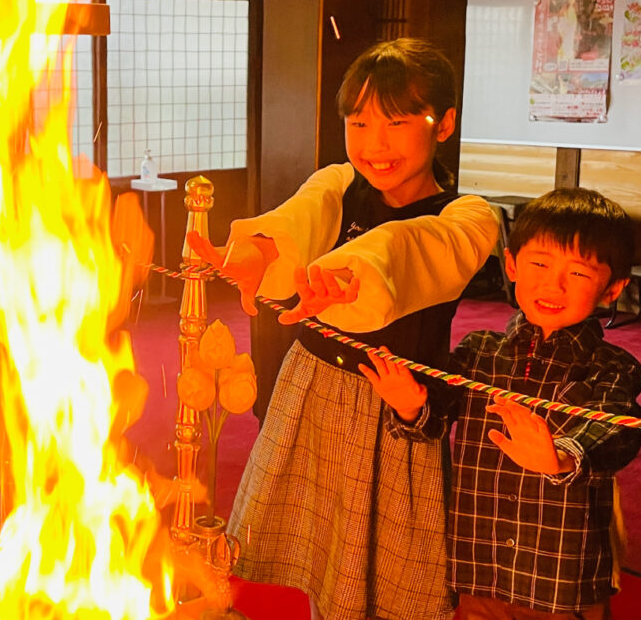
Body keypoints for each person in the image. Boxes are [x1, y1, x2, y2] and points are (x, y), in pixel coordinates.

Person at [189, 38, 500, 620]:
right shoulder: (338, 181)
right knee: (312, 561)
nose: (374, 145)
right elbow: (298, 220)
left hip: (393, 410)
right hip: (310, 389)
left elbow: (411, 248)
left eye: (397, 122)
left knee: (377, 578)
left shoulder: (469, 216)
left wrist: (351, 272)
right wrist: (261, 251)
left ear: (444, 123)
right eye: (359, 123)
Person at [363, 187, 641, 620]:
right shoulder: (480, 351)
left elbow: (618, 429)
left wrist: (563, 457)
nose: (553, 284)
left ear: (612, 288)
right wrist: (411, 405)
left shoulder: (611, 367)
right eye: (539, 264)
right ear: (511, 265)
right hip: (481, 562)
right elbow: (435, 415)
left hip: (560, 575)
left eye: (579, 273)